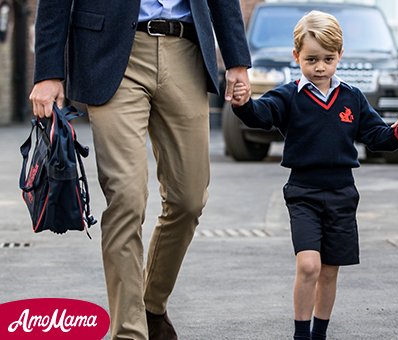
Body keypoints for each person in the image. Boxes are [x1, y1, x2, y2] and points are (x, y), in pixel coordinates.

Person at [29, 1, 251, 339]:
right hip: (111, 54)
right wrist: (48, 72)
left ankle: (151, 306)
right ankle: (129, 332)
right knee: (126, 199)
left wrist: (236, 60)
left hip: (186, 50)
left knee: (189, 199)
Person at [230, 11, 398, 340]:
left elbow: (378, 139)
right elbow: (260, 116)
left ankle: (319, 334)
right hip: (303, 193)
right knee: (309, 266)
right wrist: (244, 103)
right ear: (296, 56)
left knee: (329, 272)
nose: (320, 67)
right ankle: (301, 334)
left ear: (340, 56)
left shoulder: (352, 98)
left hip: (343, 194)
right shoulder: (288, 96)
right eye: (312, 59)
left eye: (328, 59)